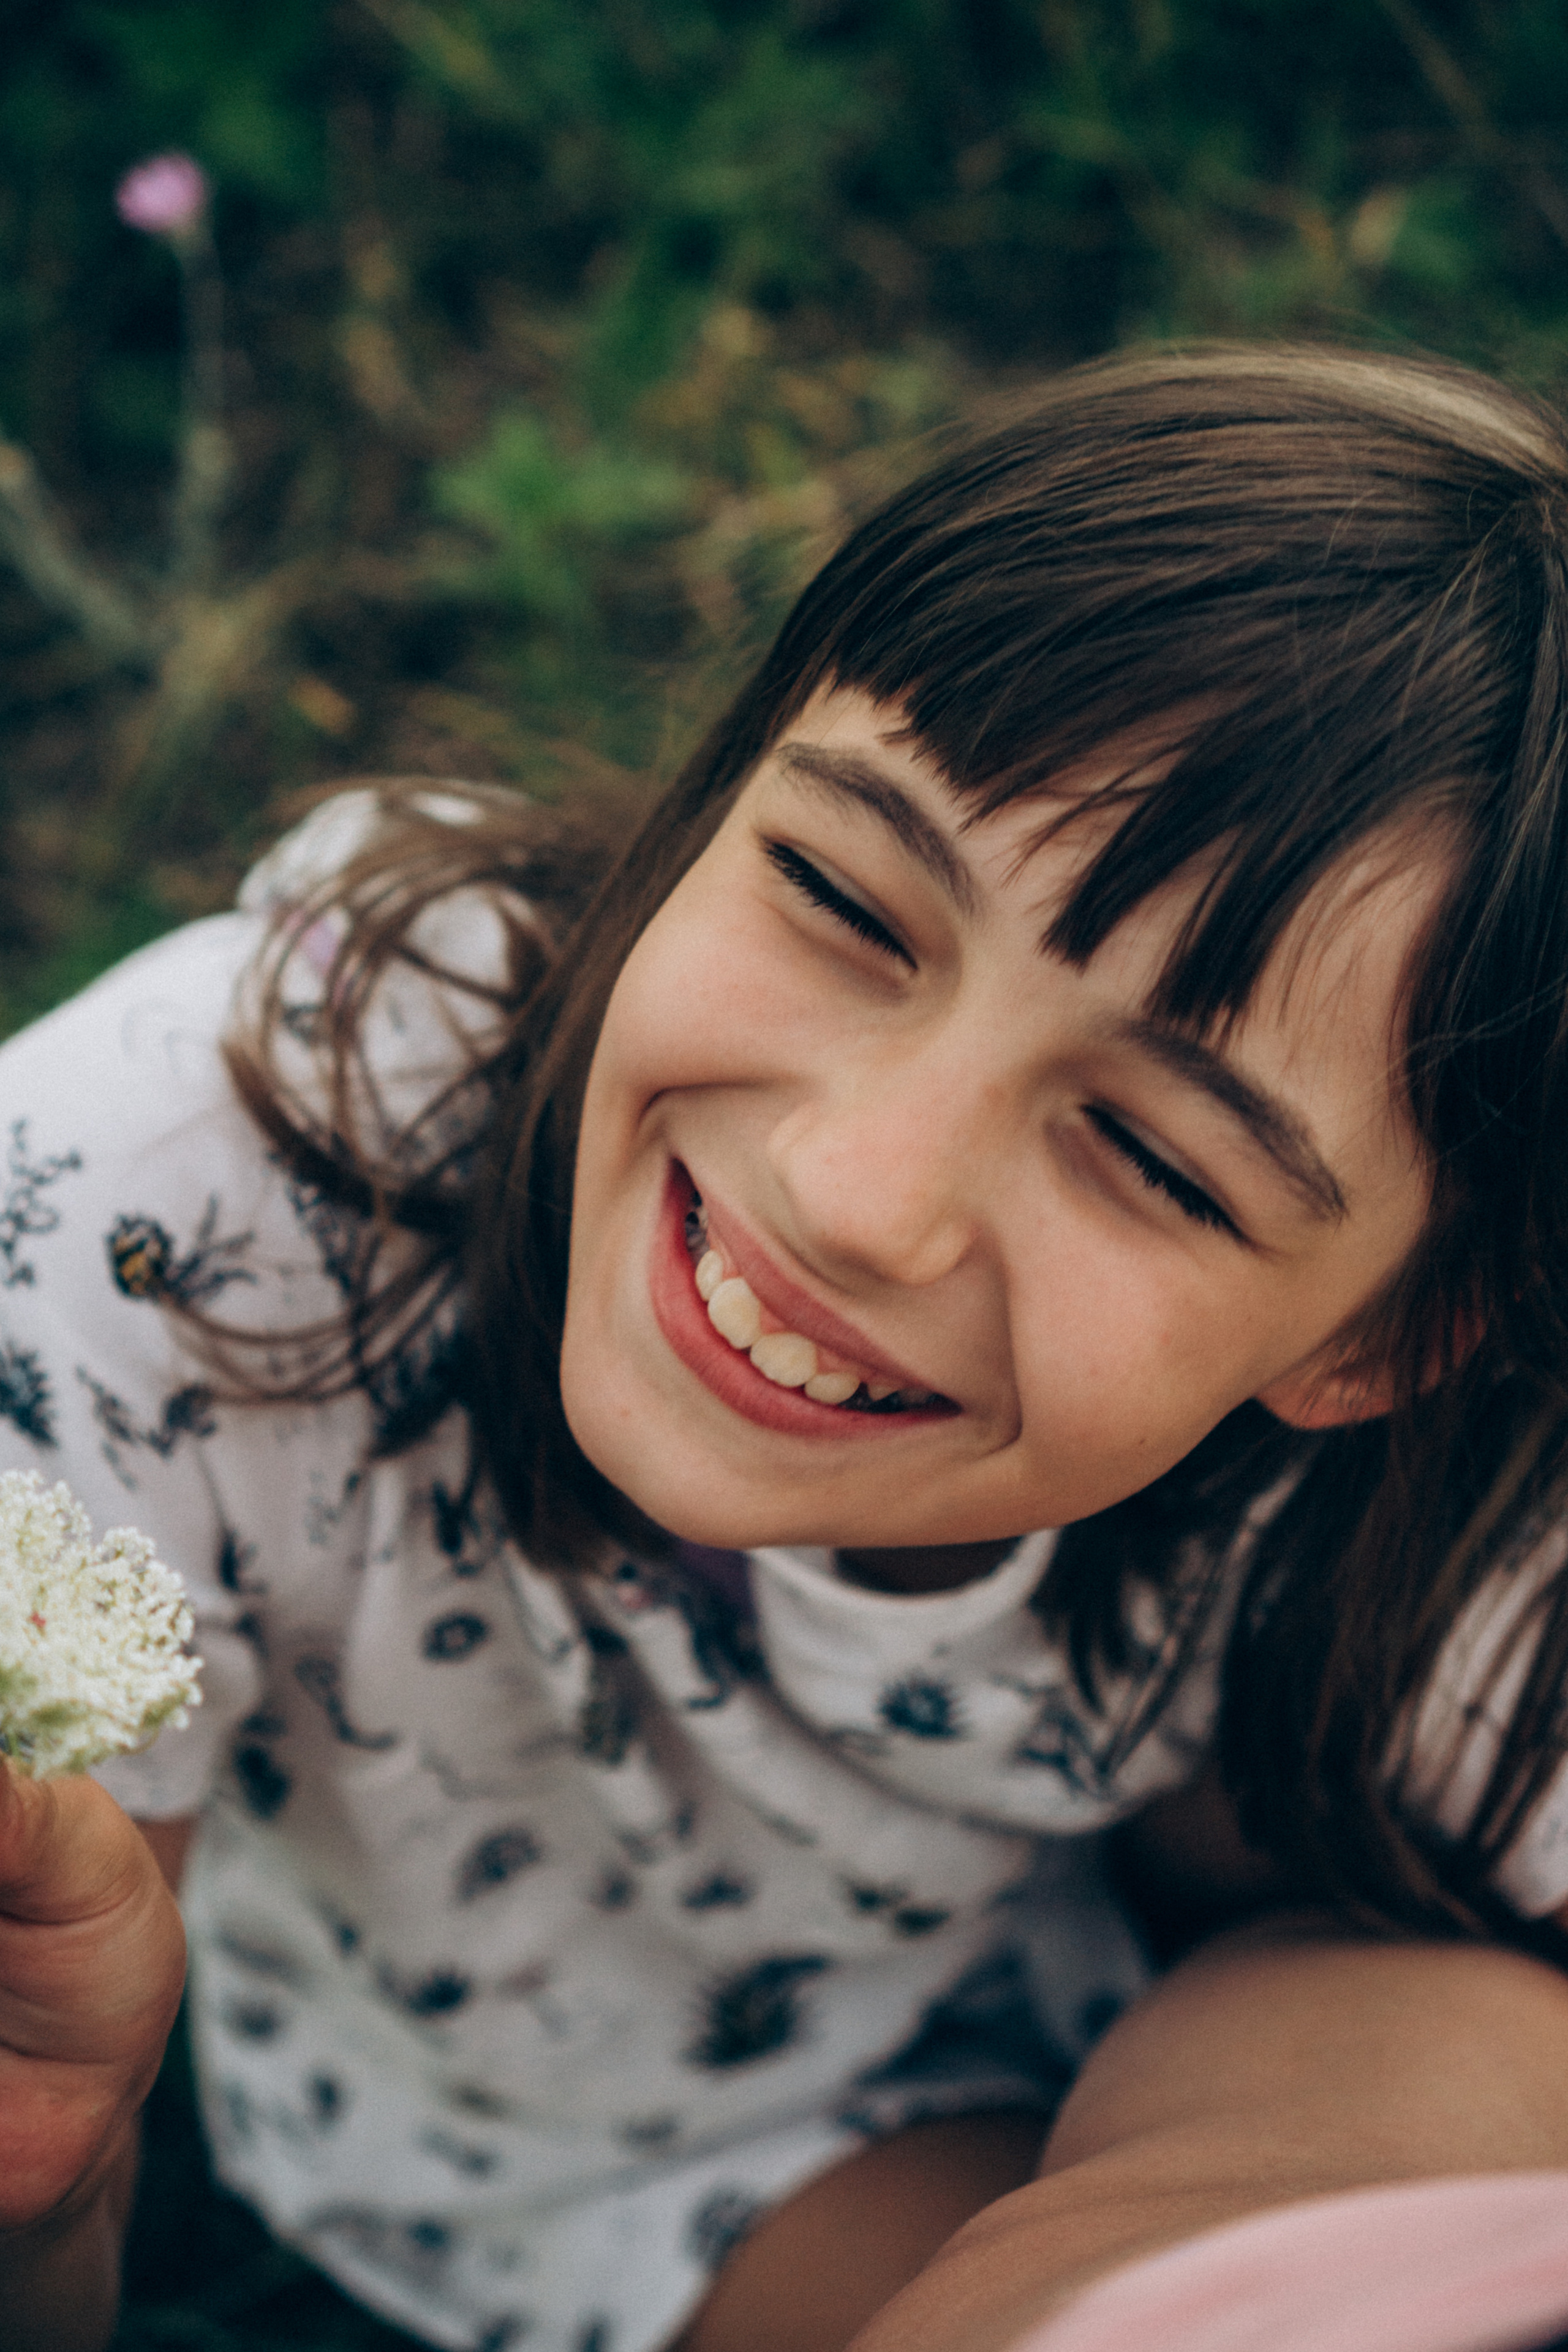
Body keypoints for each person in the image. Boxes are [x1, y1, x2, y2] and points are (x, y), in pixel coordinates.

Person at [7, 344, 1568, 2352]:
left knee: (1463, 2036)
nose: (854, 1192)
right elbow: (34, 2158)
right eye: (840, 893)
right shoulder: (184, 1208)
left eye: (1156, 1163)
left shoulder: (1474, 1488)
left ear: (1390, 1333)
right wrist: (47, 2185)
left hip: (1197, 1952)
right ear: (719, 784)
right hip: (637, 2127)